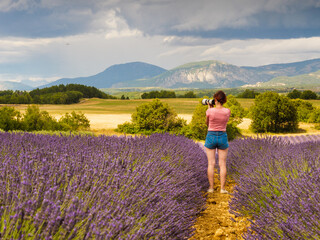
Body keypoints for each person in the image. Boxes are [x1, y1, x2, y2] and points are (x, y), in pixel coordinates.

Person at [204, 90, 231, 194]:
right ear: (224, 100)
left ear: (215, 100)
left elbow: (207, 123)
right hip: (222, 136)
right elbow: (225, 122)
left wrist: (209, 109)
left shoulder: (209, 111)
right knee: (222, 164)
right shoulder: (227, 111)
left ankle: (211, 188)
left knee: (211, 163)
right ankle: (222, 189)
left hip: (211, 135)